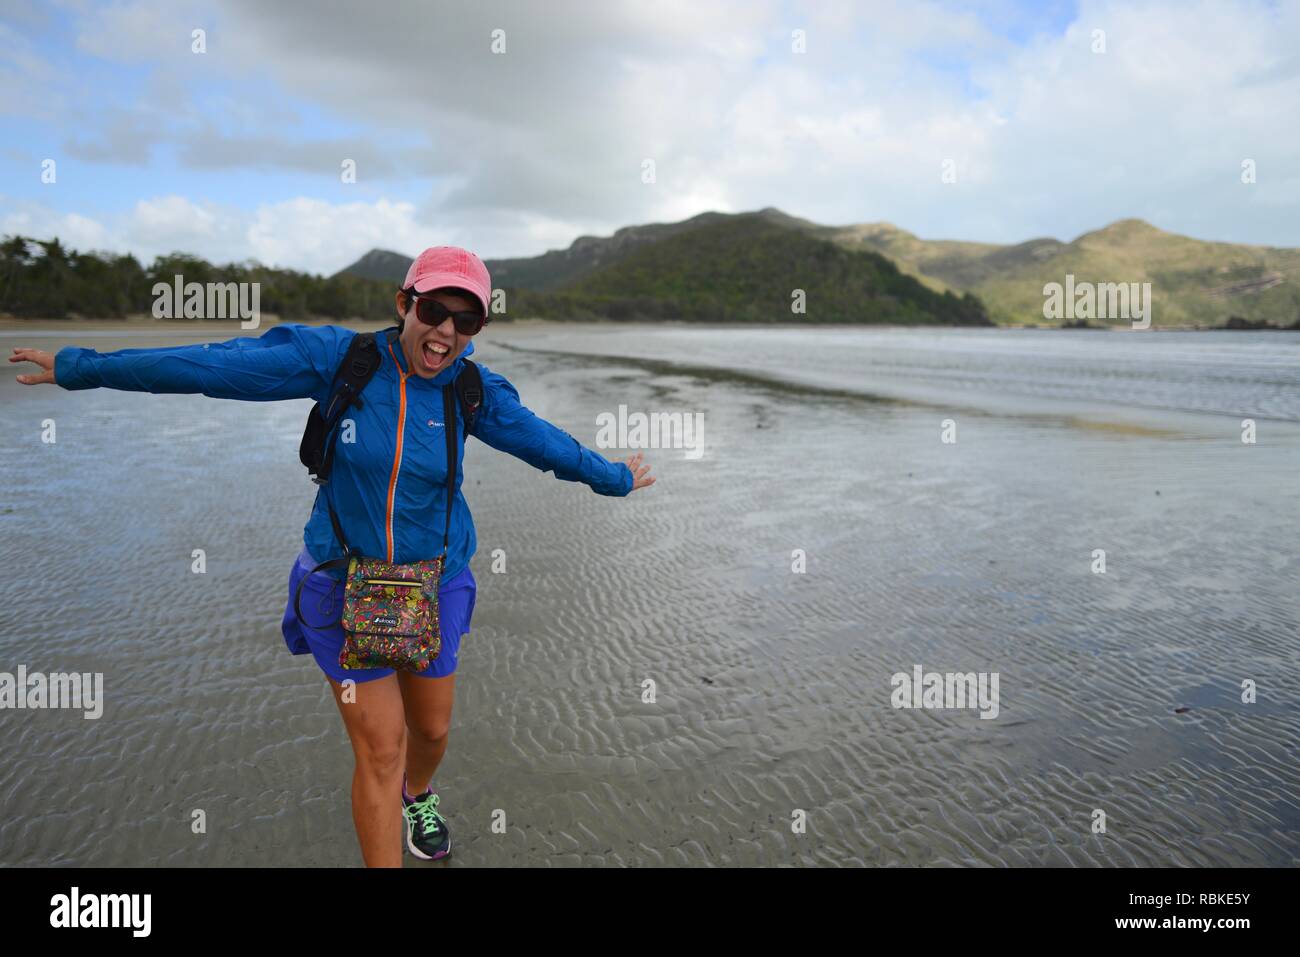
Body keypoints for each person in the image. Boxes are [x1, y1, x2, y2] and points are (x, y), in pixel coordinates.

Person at [9, 245, 655, 867]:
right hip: (341, 583)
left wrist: (614, 476)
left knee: (429, 734)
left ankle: (419, 795)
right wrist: (80, 365)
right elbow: (211, 367)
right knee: (381, 748)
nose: (445, 332)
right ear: (404, 301)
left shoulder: (473, 392)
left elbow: (546, 444)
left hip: (434, 584)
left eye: (467, 320)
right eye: (433, 311)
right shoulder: (342, 361)